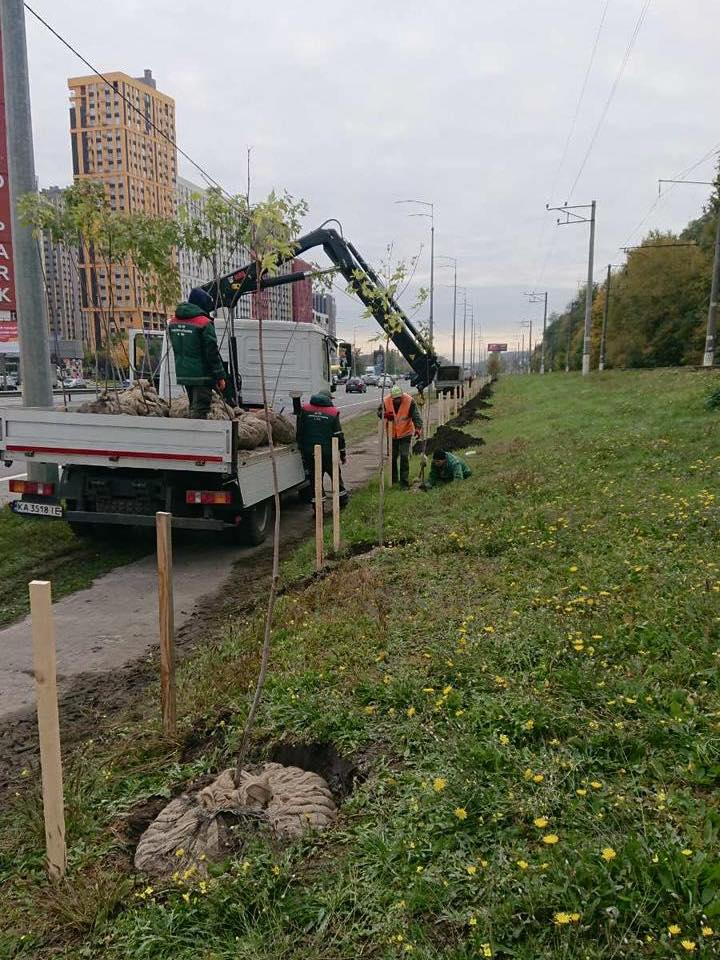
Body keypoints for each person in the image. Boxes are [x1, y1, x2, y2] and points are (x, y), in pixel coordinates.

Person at [168, 288, 226, 419]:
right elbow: (212, 352)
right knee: (201, 410)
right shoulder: (204, 323)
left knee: (193, 406)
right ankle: (195, 438)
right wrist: (220, 376)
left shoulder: (173, 322)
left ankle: (191, 435)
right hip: (202, 375)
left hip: (184, 373)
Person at [292, 390, 349, 506]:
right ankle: (342, 502)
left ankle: (318, 509)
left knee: (315, 480)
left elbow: (300, 432)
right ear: (328, 399)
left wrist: (302, 451)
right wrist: (343, 453)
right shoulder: (332, 412)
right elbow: (339, 435)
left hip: (310, 452)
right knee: (335, 476)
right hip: (329, 452)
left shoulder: (305, 410)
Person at [379, 384, 423, 488]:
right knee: (393, 457)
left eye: (399, 398)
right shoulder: (386, 401)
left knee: (404, 456)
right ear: (391, 397)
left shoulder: (409, 401)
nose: (397, 400)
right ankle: (394, 479)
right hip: (392, 434)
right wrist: (384, 414)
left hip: (405, 433)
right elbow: (379, 412)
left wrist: (417, 429)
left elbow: (416, 416)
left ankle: (404, 481)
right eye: (395, 399)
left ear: (402, 395)